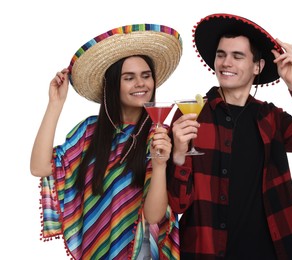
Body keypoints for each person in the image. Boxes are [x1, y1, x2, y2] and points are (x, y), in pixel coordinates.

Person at [167, 13, 292, 259]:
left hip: (267, 251)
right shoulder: (190, 116)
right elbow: (177, 204)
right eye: (221, 54)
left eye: (238, 56)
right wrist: (179, 157)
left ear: (258, 66)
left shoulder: (270, 118)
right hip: (204, 251)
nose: (226, 63)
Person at [30, 23, 182, 260]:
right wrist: (55, 104)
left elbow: (154, 217)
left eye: (146, 76)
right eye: (129, 78)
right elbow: (40, 167)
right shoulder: (89, 132)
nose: (141, 84)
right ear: (112, 85)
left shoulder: (159, 135)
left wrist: (160, 164)